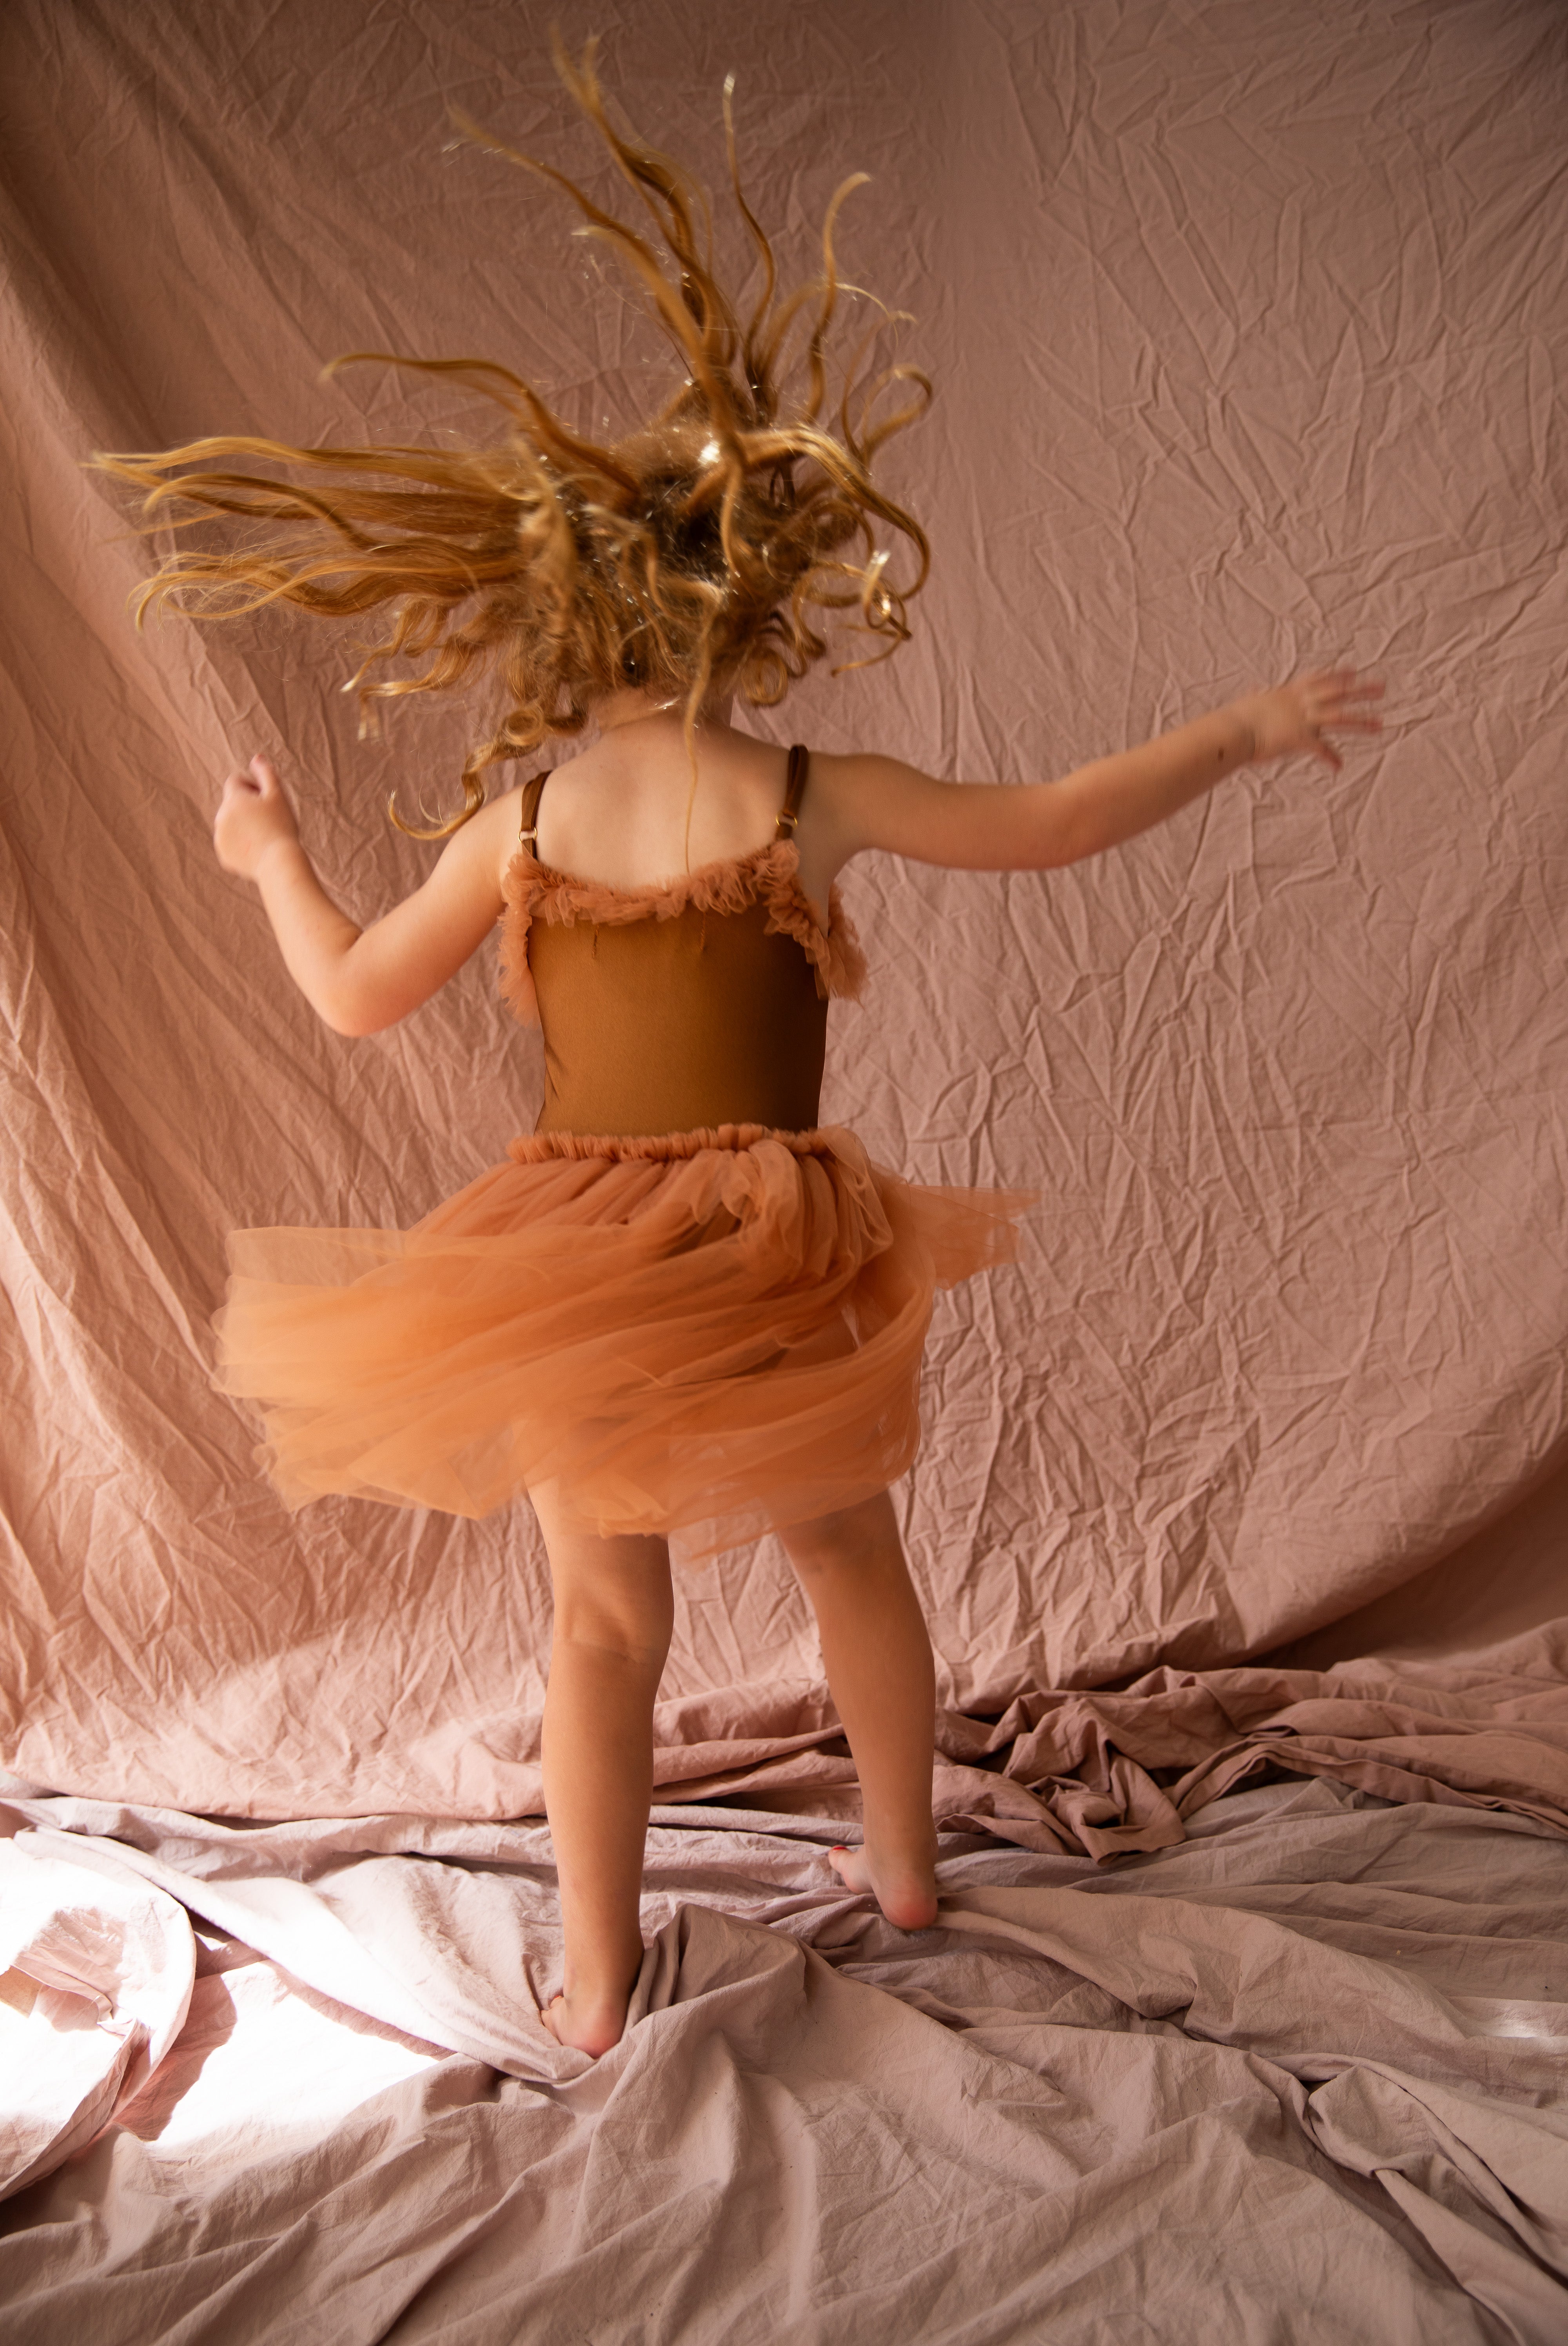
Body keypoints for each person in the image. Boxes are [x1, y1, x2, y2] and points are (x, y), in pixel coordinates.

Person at [97, 43, 1382, 2056]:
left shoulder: (517, 824)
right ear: (743, 615)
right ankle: (900, 1870)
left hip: (573, 1253)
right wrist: (1236, 729)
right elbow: (1044, 823)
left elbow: (349, 994)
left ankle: (598, 1984)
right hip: (766, 1237)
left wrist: (268, 853)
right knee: (851, 1560)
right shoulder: (802, 790)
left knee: (602, 1623)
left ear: (556, 635)